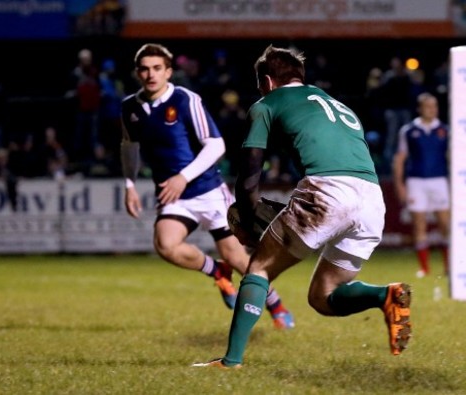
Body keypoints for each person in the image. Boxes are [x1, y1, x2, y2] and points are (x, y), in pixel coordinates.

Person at [192, 45, 412, 369]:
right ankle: (385, 296)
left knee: (259, 269)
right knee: (323, 296)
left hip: (328, 191)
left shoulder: (267, 103)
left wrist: (248, 214)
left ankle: (231, 362)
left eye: (259, 85)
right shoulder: (338, 105)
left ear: (267, 82)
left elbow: (250, 171)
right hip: (372, 200)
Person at [119, 43, 294, 329]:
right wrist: (129, 183)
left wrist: (183, 176)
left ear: (168, 72)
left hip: (209, 191)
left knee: (237, 255)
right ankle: (216, 271)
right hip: (174, 196)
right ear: (138, 73)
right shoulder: (130, 107)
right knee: (165, 245)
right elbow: (129, 146)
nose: (150, 74)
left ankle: (275, 303)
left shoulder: (186, 100)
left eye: (157, 68)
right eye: (145, 69)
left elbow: (216, 145)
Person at [392, 92, 450, 278]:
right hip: (416, 181)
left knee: (445, 224)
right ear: (420, 108)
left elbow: (451, 157)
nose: (432, 110)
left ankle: (449, 267)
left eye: (435, 106)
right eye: (428, 106)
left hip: (439, 180)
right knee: (419, 225)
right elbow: (400, 158)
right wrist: (399, 184)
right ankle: (424, 268)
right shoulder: (408, 131)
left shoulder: (445, 130)